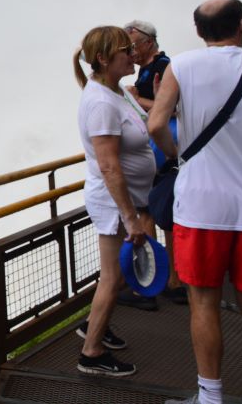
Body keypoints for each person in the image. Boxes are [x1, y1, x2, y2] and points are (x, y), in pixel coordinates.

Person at [149, 0, 242, 404]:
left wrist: (176, 155)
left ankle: (210, 396)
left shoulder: (181, 66)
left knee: (203, 303)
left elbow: (155, 123)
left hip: (200, 207)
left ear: (199, 32)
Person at [73, 26, 152, 377]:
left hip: (124, 201)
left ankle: (97, 327)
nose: (133, 54)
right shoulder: (102, 102)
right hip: (113, 203)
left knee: (118, 273)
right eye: (126, 50)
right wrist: (131, 217)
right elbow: (108, 164)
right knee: (112, 276)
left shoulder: (115, 91)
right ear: (104, 58)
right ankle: (91, 351)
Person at [120, 20, 187, 308]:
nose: (130, 51)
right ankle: (166, 280)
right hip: (157, 149)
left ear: (149, 41)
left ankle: (155, 283)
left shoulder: (163, 67)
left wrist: (136, 99)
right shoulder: (150, 69)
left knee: (154, 213)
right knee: (158, 213)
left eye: (132, 45)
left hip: (162, 149)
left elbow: (170, 107)